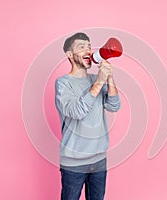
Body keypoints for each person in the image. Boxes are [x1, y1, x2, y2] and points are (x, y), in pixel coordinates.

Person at [55, 32, 121, 200]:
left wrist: (109, 77)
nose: (88, 51)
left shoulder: (95, 79)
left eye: (89, 46)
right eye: (81, 47)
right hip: (74, 164)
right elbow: (77, 111)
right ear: (69, 55)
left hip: (99, 161)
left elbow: (114, 105)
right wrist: (100, 81)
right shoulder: (63, 83)